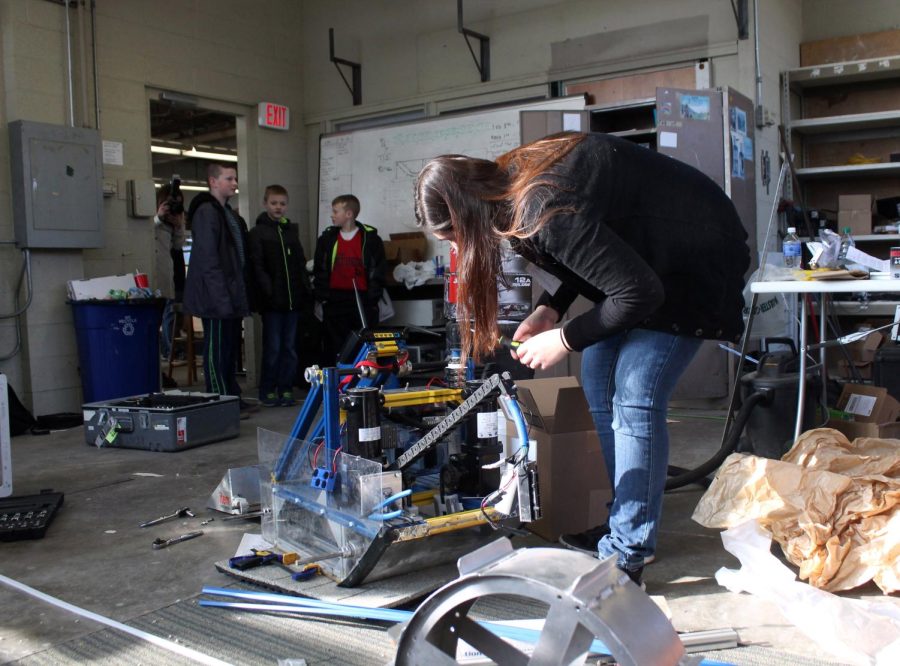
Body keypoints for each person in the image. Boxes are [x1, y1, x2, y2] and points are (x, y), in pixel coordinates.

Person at [414, 132, 750, 584]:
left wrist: (565, 339)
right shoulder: (513, 189)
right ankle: (622, 526)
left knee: (634, 398)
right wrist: (549, 308)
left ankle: (628, 551)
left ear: (466, 212)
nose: (456, 250)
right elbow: (591, 249)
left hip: (693, 267)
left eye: (452, 237)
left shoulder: (538, 204)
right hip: (650, 264)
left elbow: (637, 291)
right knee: (598, 379)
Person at [184, 163, 256, 414]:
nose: (234, 183)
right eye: (229, 178)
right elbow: (208, 259)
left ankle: (231, 395)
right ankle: (219, 401)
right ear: (213, 181)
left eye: (235, 178)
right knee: (216, 351)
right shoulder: (207, 213)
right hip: (215, 296)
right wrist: (220, 298)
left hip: (230, 293)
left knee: (228, 350)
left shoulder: (227, 214)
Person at [247, 185, 312, 407]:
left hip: (293, 301)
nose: (278, 207)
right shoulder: (257, 233)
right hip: (273, 303)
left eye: (282, 203)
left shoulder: (290, 232)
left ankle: (286, 388)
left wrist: (304, 292)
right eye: (274, 203)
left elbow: (300, 264)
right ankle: (268, 389)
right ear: (265, 204)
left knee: (290, 349)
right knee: (273, 348)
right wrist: (269, 294)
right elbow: (257, 266)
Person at [313, 194, 386, 363]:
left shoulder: (370, 239)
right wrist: (323, 297)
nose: (332, 215)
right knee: (335, 344)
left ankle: (361, 379)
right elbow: (320, 269)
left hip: (362, 300)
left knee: (362, 343)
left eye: (335, 211)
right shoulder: (327, 239)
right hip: (335, 300)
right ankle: (338, 381)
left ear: (349, 214)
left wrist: (372, 298)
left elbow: (378, 270)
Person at [154, 183, 186, 377]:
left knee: (168, 315)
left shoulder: (170, 226)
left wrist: (179, 225)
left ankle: (168, 349)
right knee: (158, 317)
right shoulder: (154, 220)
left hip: (168, 276)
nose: (173, 208)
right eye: (170, 204)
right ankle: (164, 351)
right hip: (152, 277)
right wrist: (159, 216)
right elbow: (143, 232)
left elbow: (178, 245)